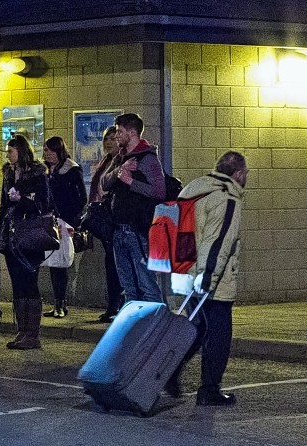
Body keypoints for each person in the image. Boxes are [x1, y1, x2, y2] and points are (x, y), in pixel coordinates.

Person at [166, 151, 247, 406]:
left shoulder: (195, 190)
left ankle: (169, 369)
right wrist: (209, 280)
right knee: (219, 334)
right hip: (211, 279)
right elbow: (218, 244)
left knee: (197, 329)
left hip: (186, 271)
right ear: (238, 174)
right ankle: (209, 389)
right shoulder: (226, 198)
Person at [103, 112, 166, 306]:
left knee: (147, 285)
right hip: (119, 230)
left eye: (120, 132)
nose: (117, 136)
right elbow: (104, 183)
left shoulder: (147, 159)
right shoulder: (121, 158)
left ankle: (157, 326)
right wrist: (119, 171)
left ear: (132, 132)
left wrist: (130, 181)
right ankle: (137, 330)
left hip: (137, 231)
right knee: (128, 287)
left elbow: (159, 191)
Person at [0, 135, 50, 350]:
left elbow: (44, 205)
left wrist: (23, 200)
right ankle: (22, 330)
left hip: (30, 235)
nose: (8, 155)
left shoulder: (38, 174)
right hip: (11, 235)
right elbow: (3, 205)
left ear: (21, 151)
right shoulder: (8, 173)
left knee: (29, 282)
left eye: (11, 151)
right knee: (17, 283)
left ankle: (32, 333)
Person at [41, 135, 86, 318]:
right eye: (45, 150)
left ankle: (61, 303)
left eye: (51, 150)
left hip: (65, 221)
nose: (48, 154)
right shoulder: (46, 171)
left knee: (62, 263)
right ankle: (57, 303)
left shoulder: (72, 170)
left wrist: (71, 220)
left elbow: (81, 197)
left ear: (59, 151)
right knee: (53, 262)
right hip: (49, 220)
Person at [87, 126, 125, 322]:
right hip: (104, 219)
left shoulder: (119, 161)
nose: (109, 142)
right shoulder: (106, 161)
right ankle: (113, 304)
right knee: (111, 263)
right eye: (106, 139)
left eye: (112, 138)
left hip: (113, 219)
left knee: (115, 264)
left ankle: (116, 305)